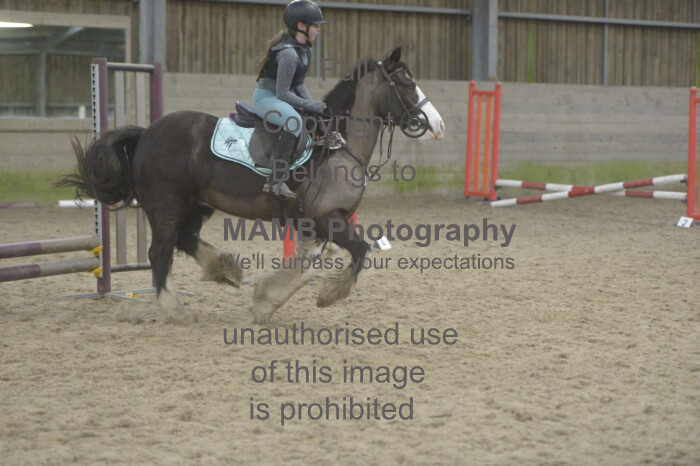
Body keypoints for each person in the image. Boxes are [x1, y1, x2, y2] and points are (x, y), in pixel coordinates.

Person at [254, 0, 327, 202]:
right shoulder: (288, 54)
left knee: (312, 118)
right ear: (301, 26)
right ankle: (275, 180)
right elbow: (283, 94)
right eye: (315, 25)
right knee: (293, 122)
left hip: (279, 97)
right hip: (266, 99)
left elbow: (299, 84)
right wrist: (312, 105)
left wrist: (314, 107)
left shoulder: (305, 50)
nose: (318, 30)